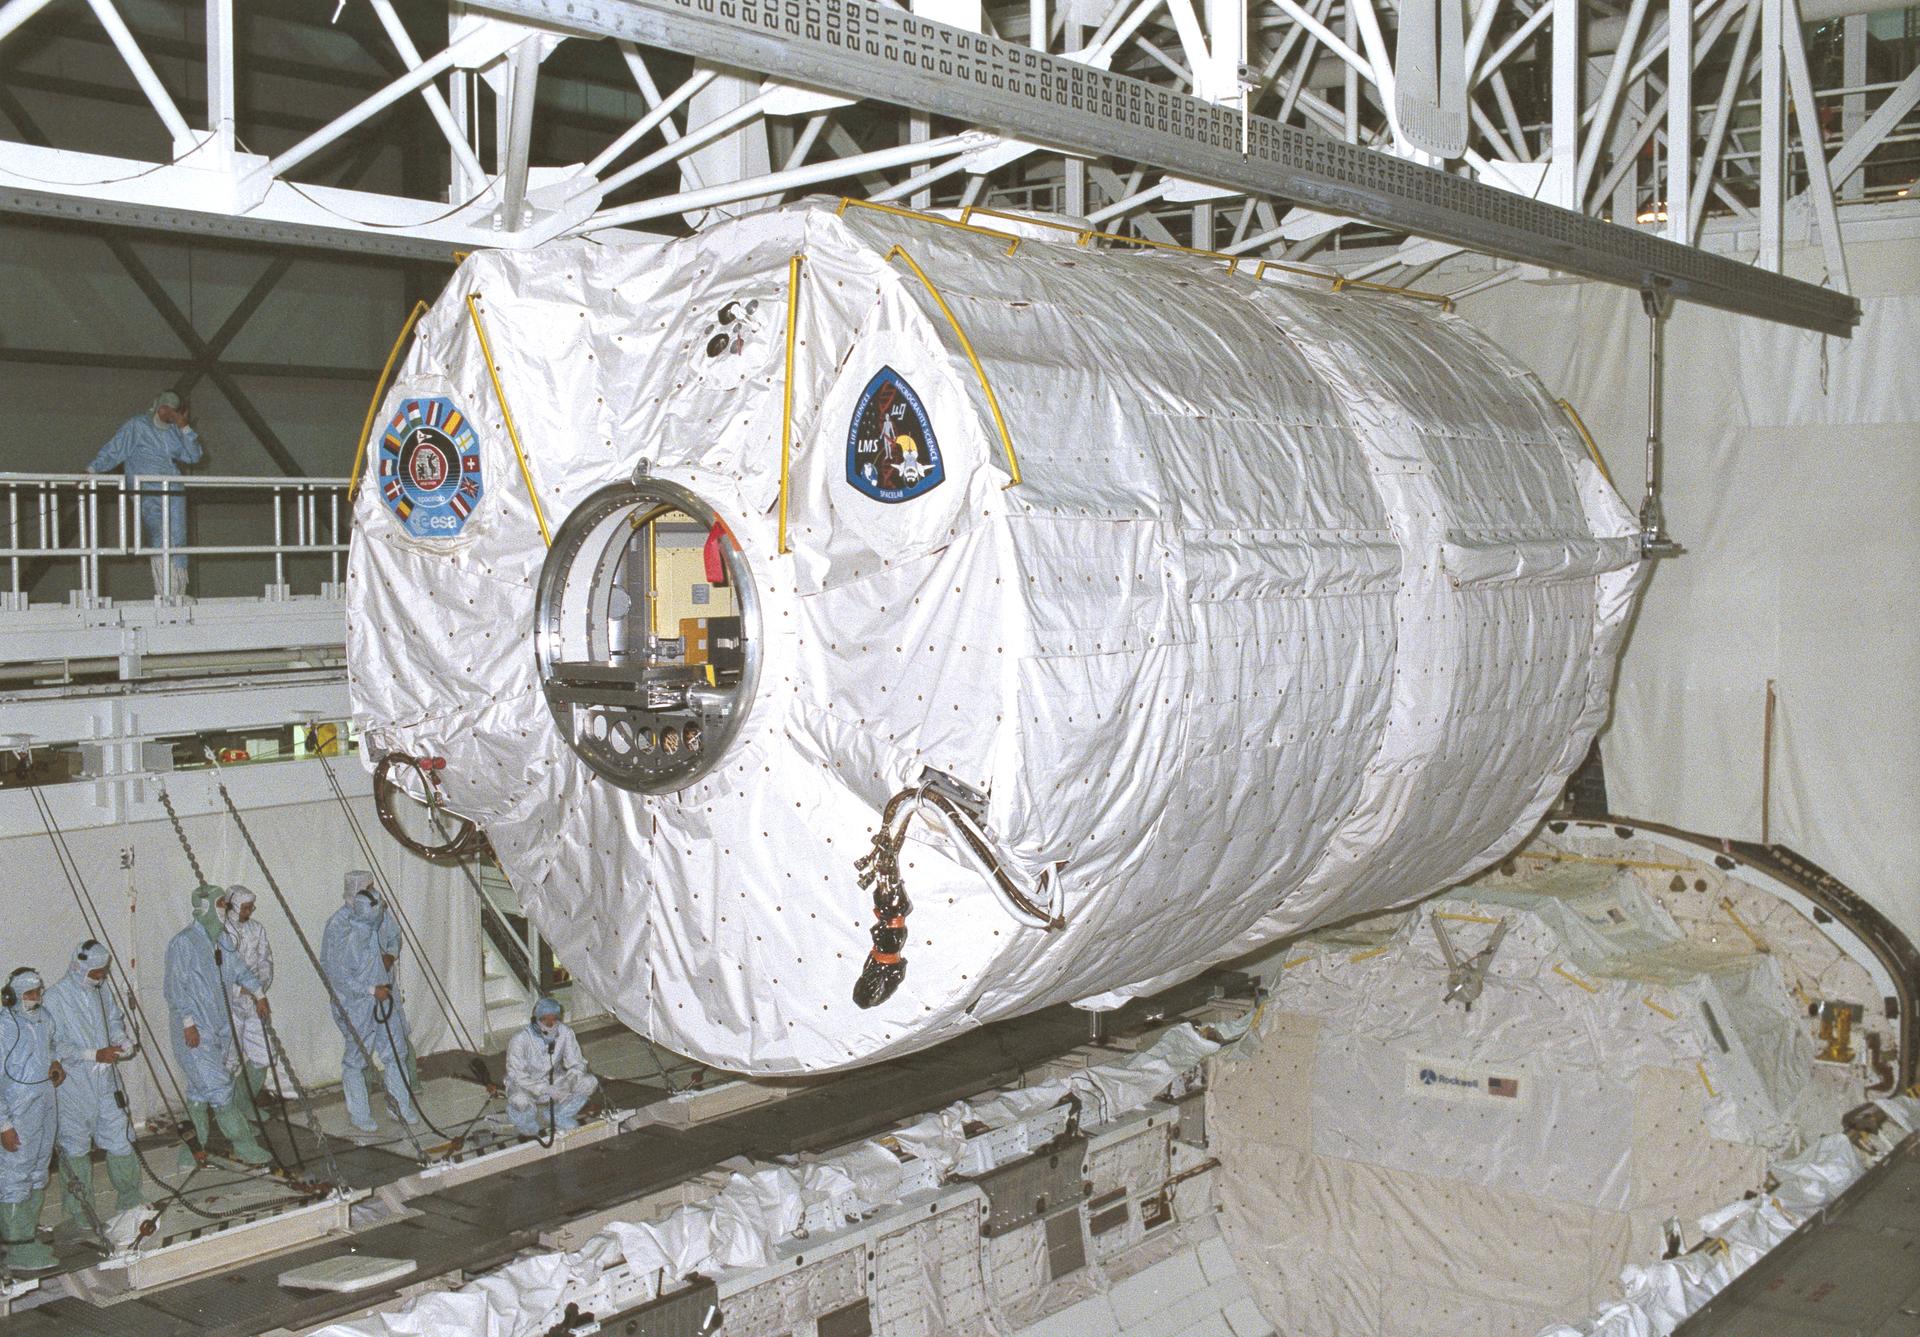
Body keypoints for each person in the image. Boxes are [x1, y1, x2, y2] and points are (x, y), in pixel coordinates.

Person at [163, 884, 273, 1167]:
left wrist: (259, 994)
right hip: (194, 1032)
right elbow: (175, 989)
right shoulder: (183, 943)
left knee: (200, 1091)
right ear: (206, 908)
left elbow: (238, 968)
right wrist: (188, 1023)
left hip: (218, 1027)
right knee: (221, 1088)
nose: (226, 909)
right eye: (221, 904)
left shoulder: (221, 940)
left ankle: (192, 1150)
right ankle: (244, 1144)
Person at [44, 941, 144, 1224]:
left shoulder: (101, 991)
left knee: (120, 1138)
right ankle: (80, 1215)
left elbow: (113, 1020)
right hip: (73, 1087)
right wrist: (92, 1054)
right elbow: (54, 1046)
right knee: (75, 1148)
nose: (100, 978)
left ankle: (131, 1199)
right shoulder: (55, 998)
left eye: (103, 973)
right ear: (79, 967)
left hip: (105, 1082)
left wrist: (122, 1041)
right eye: (95, 973)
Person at [322, 882, 420, 1133]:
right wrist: (370, 991)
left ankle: (399, 1106)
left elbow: (390, 941)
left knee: (396, 1052)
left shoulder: (371, 927)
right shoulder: (347, 935)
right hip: (359, 1006)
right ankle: (359, 1114)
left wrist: (382, 986)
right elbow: (338, 977)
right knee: (356, 1060)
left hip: (383, 1000)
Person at [86, 389, 203, 599]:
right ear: (160, 407)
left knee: (178, 538)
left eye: (174, 411)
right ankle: (165, 590)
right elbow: (115, 449)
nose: (169, 413)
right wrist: (92, 470)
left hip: (173, 489)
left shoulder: (174, 431)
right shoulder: (138, 426)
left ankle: (178, 591)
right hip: (147, 490)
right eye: (167, 409)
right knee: (160, 537)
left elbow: (193, 456)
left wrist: (185, 427)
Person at [0, 968, 63, 1271]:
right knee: (15, 1173)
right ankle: (16, 1246)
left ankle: (27, 1232)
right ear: (11, 996)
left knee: (39, 1169)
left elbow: (51, 1048)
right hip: (18, 1106)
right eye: (27, 994)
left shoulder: (44, 1018)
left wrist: (55, 1063)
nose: (34, 998)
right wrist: (4, 1125)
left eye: (37, 992)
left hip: (44, 1099)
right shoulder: (4, 1027)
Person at [505, 997, 598, 1138]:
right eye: (544, 1019)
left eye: (554, 1019)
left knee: (590, 1082)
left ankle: (559, 1115)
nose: (550, 1023)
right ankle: (523, 1122)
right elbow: (516, 1075)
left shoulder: (565, 1032)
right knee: (520, 1100)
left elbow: (577, 1063)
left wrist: (569, 1082)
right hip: (526, 1085)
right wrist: (545, 1089)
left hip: (555, 1082)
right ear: (535, 1020)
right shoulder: (520, 1039)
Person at [221, 886, 276, 1109]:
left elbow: (265, 961)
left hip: (254, 1002)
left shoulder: (257, 929)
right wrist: (238, 990)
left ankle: (243, 1106)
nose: (249, 912)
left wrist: (259, 988)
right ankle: (224, 1111)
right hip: (228, 1005)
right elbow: (216, 972)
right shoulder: (221, 932)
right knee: (228, 1060)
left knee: (265, 1054)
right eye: (245, 908)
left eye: (251, 907)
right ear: (232, 907)